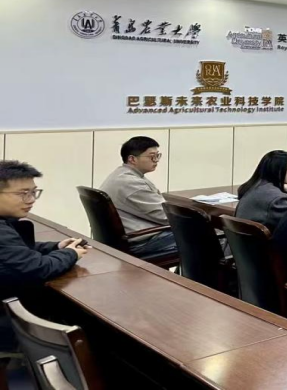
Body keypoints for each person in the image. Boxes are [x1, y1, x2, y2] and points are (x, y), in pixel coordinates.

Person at [0, 161, 89, 352]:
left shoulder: (5, 224)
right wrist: (71, 253)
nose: (31, 199)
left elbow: (16, 250)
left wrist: (56, 247)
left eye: (34, 192)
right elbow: (38, 268)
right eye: (23, 193)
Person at [99, 136, 177, 259]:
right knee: (204, 237)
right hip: (142, 241)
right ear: (132, 159)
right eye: (152, 156)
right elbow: (167, 217)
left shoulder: (121, 174)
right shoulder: (132, 183)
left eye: (158, 156)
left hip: (128, 236)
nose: (156, 160)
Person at [236, 150, 287, 232]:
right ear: (278, 169)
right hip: (257, 240)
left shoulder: (254, 186)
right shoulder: (276, 197)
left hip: (241, 239)